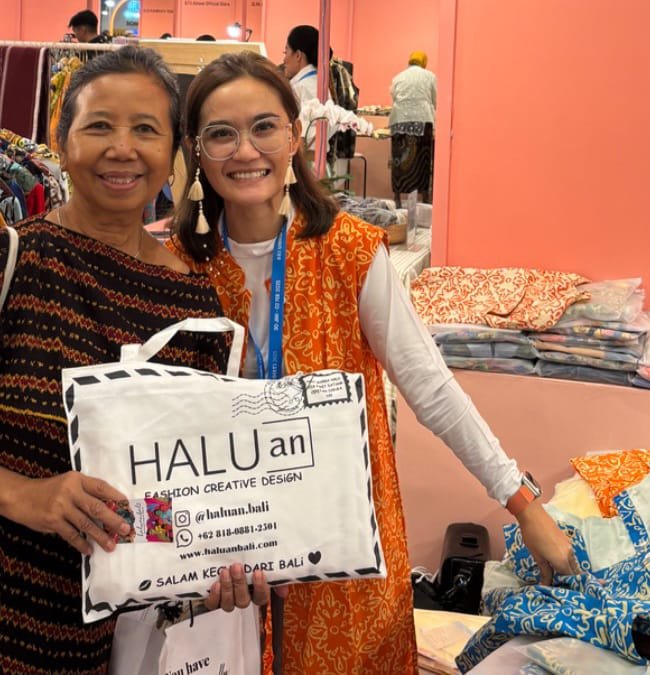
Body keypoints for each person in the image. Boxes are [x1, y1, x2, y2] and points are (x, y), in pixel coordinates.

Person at [169, 51, 576, 674]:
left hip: (340, 546)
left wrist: (523, 505)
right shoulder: (175, 264)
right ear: (197, 151)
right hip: (221, 555)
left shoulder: (349, 252)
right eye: (221, 134)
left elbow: (430, 388)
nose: (245, 151)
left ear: (295, 136)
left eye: (264, 127)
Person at [0, 47, 247, 673]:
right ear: (61, 141)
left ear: (174, 153)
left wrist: (206, 566)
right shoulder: (4, 262)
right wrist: (21, 495)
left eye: (145, 129)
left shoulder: (194, 306)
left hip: (133, 641)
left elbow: (180, 488)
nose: (122, 149)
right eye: (99, 125)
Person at [389, 50, 437, 205]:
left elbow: (394, 97)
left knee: (399, 160)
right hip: (422, 120)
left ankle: (397, 197)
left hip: (399, 120)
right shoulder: (430, 76)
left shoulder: (398, 77)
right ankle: (424, 196)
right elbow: (435, 99)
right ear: (424, 62)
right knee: (422, 160)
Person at [281, 25, 321, 107]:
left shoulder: (301, 88)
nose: (283, 60)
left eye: (286, 52)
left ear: (298, 55)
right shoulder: (319, 84)